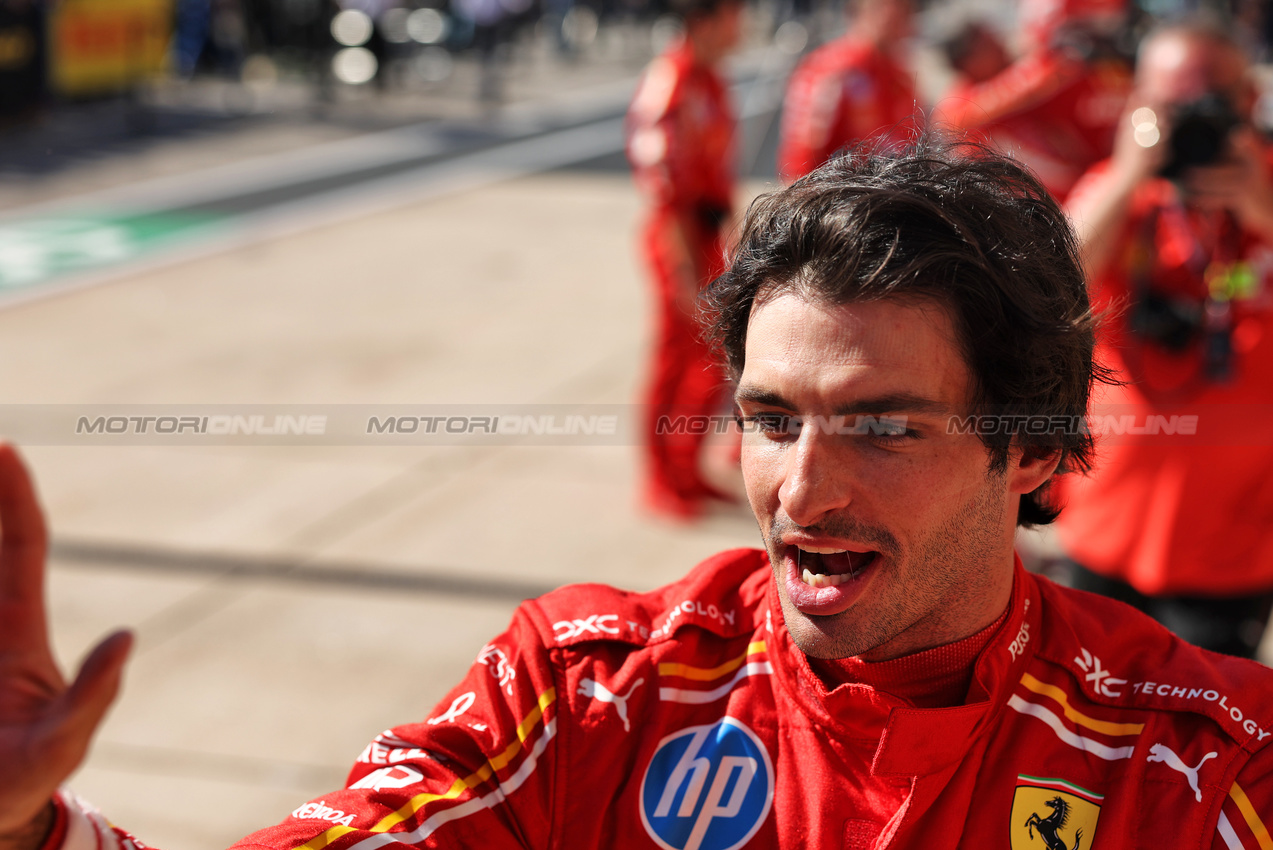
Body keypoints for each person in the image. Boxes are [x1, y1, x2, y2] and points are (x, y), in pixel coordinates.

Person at [5, 138, 1273, 850]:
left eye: (884, 426)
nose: (801, 488)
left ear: (1037, 449)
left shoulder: (1196, 761)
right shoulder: (587, 687)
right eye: (770, 419)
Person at [1055, 21, 1273, 659]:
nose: (1191, 121)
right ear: (1139, 103)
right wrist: (1129, 175)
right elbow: (1055, 281)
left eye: (1211, 100)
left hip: (1234, 547)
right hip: (1104, 528)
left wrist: (1263, 210)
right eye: (1172, 103)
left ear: (1248, 103)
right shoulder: (1119, 190)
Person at [625, 0, 741, 519]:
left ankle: (687, 466)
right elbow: (663, 188)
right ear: (706, 19)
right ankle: (659, 477)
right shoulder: (670, 82)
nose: (744, 27)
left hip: (706, 232)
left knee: (712, 358)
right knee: (678, 358)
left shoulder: (712, 81)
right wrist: (683, 269)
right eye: (736, 14)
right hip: (677, 236)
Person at [932, 0, 1134, 201]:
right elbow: (1009, 91)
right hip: (1037, 206)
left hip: (1082, 176)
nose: (997, 42)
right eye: (984, 43)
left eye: (990, 34)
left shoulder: (1010, 71)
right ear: (964, 62)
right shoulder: (954, 108)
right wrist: (1058, 61)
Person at [775, 0, 918, 182]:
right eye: (895, 6)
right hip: (840, 200)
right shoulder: (827, 70)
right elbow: (800, 156)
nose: (903, 16)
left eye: (907, 8)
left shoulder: (900, 74)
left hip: (890, 196)